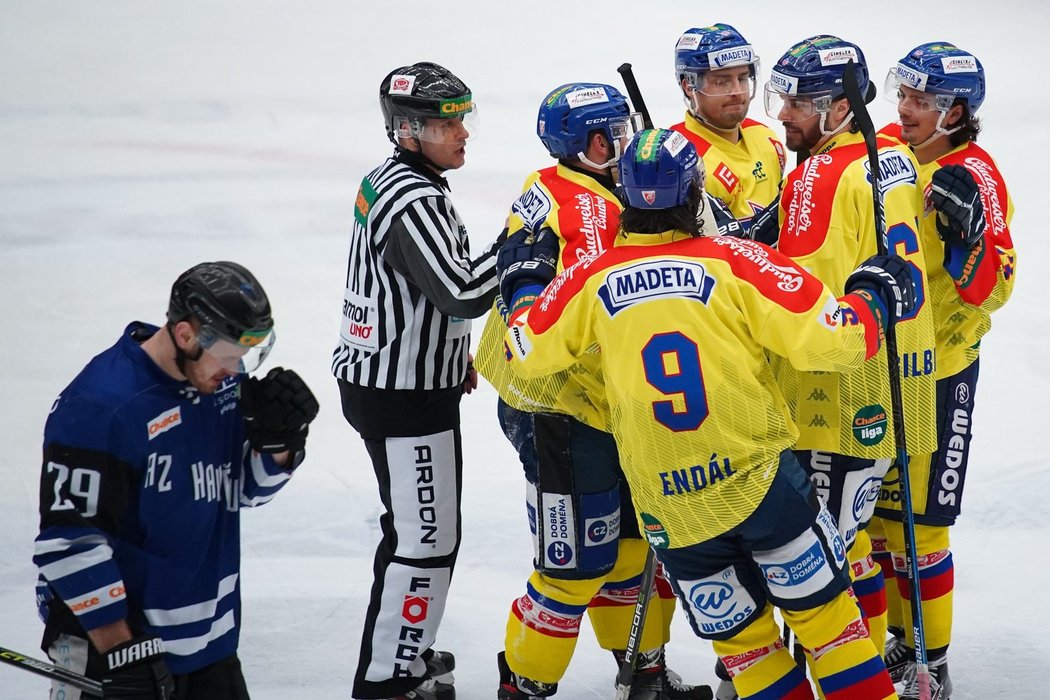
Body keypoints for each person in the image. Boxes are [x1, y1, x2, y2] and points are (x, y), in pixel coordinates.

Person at [498, 126, 911, 699]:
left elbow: (525, 353)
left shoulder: (586, 280)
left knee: (747, 649)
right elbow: (837, 341)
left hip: (672, 509)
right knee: (829, 629)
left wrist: (524, 283)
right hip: (761, 486)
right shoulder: (738, 261)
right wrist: (874, 296)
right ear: (693, 193)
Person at [474, 83, 711, 699]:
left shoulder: (619, 191)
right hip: (556, 405)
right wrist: (530, 295)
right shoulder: (553, 196)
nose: (630, 139)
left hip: (617, 406)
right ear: (592, 143)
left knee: (633, 547)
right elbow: (522, 277)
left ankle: (645, 672)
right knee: (573, 562)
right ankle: (525, 684)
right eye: (618, 131)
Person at [33, 261, 319, 700]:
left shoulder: (218, 384)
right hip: (116, 652)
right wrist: (121, 650)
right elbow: (69, 546)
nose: (237, 367)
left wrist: (278, 444)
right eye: (229, 354)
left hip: (209, 647)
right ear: (186, 335)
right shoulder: (101, 406)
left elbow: (238, 489)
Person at [760, 35, 940, 674]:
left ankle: (847, 676)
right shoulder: (890, 154)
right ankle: (873, 671)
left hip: (836, 386)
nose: (782, 115)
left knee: (824, 548)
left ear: (837, 106)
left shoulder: (826, 170)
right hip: (894, 376)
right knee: (853, 541)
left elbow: (799, 287)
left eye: (796, 103)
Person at [332, 61, 503, 700]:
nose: (462, 133)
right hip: (399, 396)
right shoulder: (414, 198)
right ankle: (387, 678)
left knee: (422, 530)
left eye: (463, 118)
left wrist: (444, 354)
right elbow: (460, 290)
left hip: (398, 380)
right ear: (408, 130)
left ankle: (408, 653)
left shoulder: (394, 179)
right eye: (446, 122)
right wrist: (522, 246)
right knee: (426, 537)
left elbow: (412, 291)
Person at [867, 42, 1017, 699]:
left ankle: (931, 656)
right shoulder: (887, 156)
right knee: (874, 519)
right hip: (877, 368)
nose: (904, 108)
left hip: (944, 371)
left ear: (956, 111)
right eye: (902, 95)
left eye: (921, 100)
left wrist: (973, 236)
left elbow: (997, 286)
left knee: (922, 523)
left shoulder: (974, 172)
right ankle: (895, 642)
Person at [671, 23, 785, 232]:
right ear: (689, 86)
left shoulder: (767, 138)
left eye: (742, 78)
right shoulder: (677, 158)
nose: (737, 91)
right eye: (722, 81)